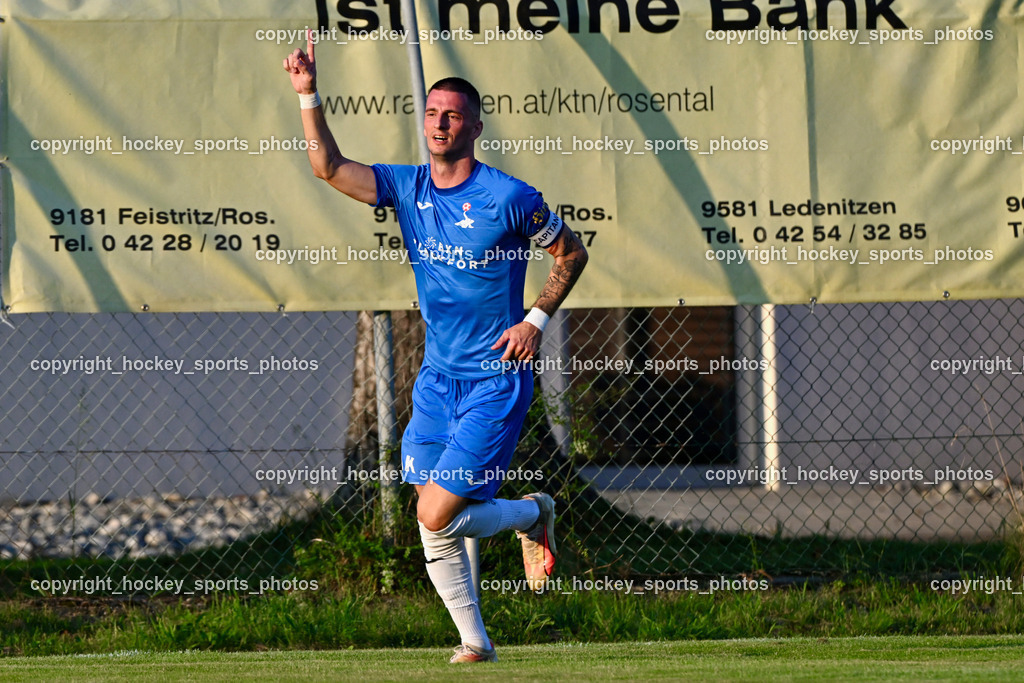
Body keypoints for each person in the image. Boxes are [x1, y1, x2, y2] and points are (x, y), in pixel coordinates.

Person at [283, 33, 588, 663]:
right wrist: (308, 93)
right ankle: (476, 643)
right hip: (436, 380)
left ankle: (533, 514)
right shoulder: (408, 188)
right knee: (435, 513)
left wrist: (534, 319)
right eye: (430, 113)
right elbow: (328, 168)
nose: (439, 123)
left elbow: (572, 253)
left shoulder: (510, 198)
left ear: (475, 126)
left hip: (495, 379)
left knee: (433, 514)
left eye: (452, 115)